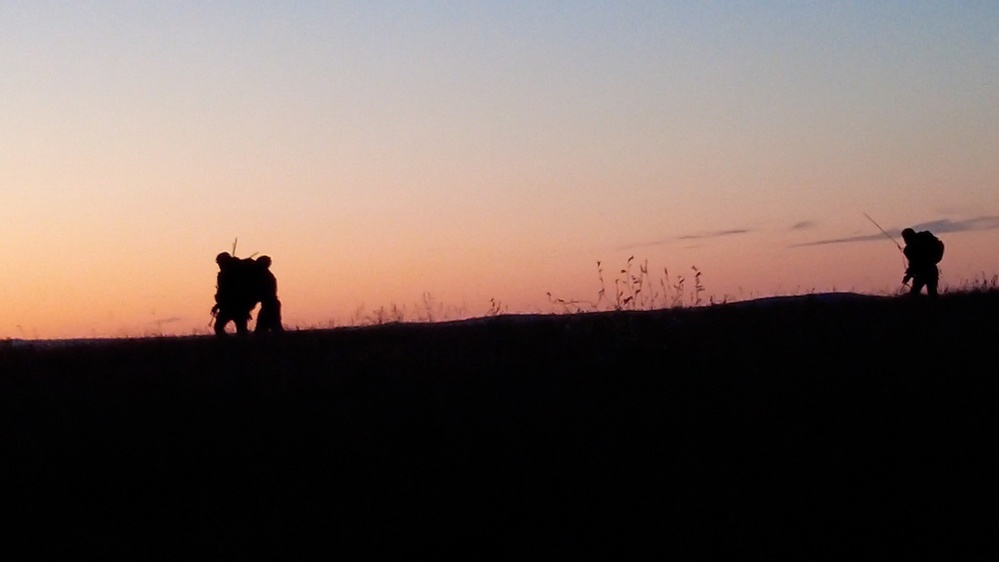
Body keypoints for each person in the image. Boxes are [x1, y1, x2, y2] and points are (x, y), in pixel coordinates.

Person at [211, 252, 256, 336]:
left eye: (220, 263)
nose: (219, 265)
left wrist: (219, 304)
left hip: (235, 306)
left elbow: (228, 292)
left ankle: (233, 346)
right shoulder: (226, 274)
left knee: (221, 328)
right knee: (239, 329)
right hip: (233, 306)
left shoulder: (233, 274)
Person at [901, 228, 944, 297]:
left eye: (905, 238)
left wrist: (908, 276)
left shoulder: (909, 249)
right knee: (932, 294)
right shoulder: (923, 242)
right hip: (932, 271)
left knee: (914, 294)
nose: (905, 240)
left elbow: (914, 264)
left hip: (921, 274)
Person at [253, 255, 283, 334]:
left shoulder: (265, 276)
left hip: (270, 304)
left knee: (264, 329)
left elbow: (265, 292)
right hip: (270, 304)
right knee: (273, 328)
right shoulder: (265, 275)